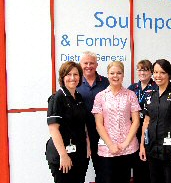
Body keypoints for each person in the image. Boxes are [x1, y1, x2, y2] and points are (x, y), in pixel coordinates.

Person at [140, 59, 171, 183]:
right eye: (155, 72)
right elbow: (146, 121)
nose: (158, 76)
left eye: (162, 72)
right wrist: (142, 146)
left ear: (169, 74)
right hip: (152, 149)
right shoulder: (150, 94)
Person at [92, 61, 141, 183]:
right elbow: (99, 124)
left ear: (123, 75)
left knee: (124, 179)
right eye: (112, 73)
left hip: (128, 147)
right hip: (107, 148)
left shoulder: (131, 95)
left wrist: (125, 144)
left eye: (119, 73)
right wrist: (110, 145)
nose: (115, 76)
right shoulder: (100, 96)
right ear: (108, 75)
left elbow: (136, 121)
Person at [46, 61, 91, 183]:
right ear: (62, 77)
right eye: (68, 74)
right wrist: (63, 155)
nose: (72, 78)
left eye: (76, 74)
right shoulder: (57, 98)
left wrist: (87, 146)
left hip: (79, 154)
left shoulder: (78, 97)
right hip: (63, 156)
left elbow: (83, 124)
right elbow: (53, 129)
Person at [77, 51, 109, 183]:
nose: (88, 66)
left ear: (96, 65)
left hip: (102, 133)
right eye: (85, 63)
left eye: (91, 63)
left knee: (103, 170)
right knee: (79, 170)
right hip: (81, 134)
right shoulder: (75, 82)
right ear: (80, 65)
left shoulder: (106, 82)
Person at [128, 59, 157, 183]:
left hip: (151, 129)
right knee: (137, 162)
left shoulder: (156, 87)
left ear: (151, 72)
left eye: (145, 70)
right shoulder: (132, 88)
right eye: (140, 69)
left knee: (150, 161)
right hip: (135, 128)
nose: (142, 72)